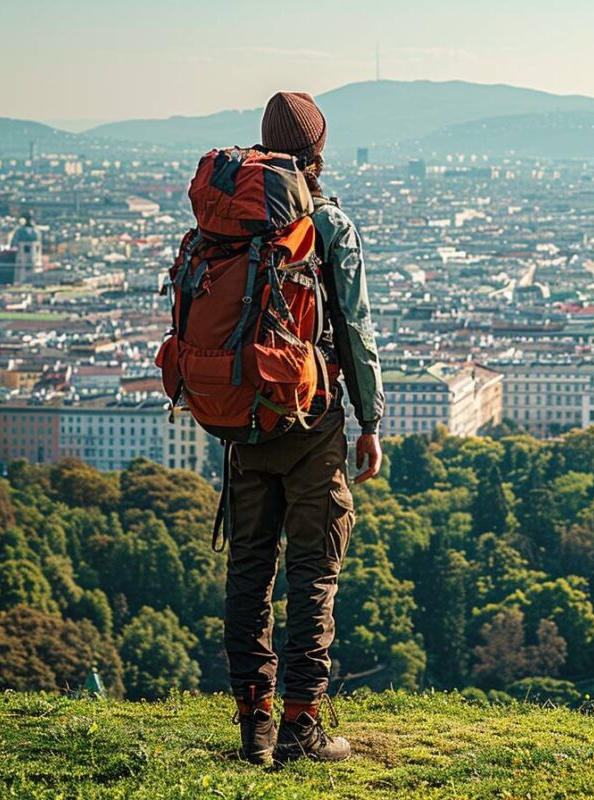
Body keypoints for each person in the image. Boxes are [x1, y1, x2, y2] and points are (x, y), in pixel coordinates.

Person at [226, 91, 384, 765]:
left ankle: (253, 725)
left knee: (249, 570)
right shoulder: (327, 223)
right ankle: (301, 726)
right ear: (318, 153)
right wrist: (370, 420)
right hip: (312, 419)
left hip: (243, 419)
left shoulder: (232, 218)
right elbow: (354, 327)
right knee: (313, 573)